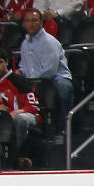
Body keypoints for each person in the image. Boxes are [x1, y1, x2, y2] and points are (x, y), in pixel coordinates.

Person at [0, 47, 41, 169]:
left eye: (0, 62)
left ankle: (17, 157)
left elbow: (34, 106)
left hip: (26, 115)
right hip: (2, 119)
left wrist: (18, 111)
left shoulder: (18, 81)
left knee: (20, 119)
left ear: (6, 62)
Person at [20, 8, 73, 136]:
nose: (31, 24)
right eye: (27, 21)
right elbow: (24, 65)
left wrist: (32, 82)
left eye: (34, 20)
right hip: (34, 79)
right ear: (23, 24)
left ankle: (64, 127)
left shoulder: (50, 42)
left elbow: (50, 70)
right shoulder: (24, 43)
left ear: (41, 22)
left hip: (54, 77)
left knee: (64, 87)